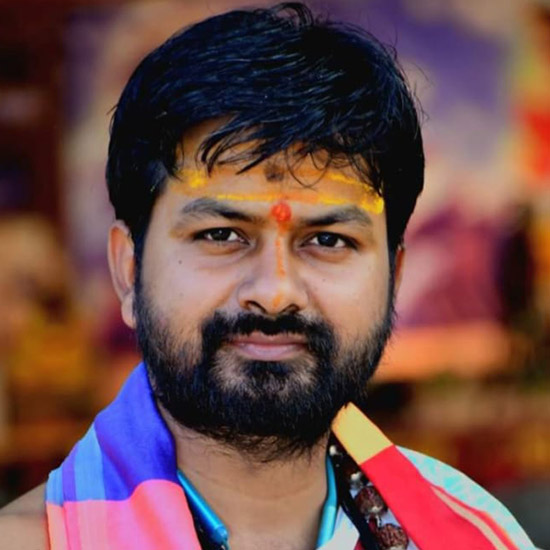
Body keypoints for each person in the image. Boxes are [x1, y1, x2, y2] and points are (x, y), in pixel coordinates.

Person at [0, 3, 537, 549]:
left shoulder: (477, 536)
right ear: (127, 269)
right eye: (221, 234)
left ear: (393, 278)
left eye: (328, 240)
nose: (275, 292)